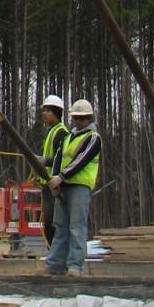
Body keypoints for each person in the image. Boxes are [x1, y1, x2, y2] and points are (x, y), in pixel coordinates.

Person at [44, 98, 101, 278]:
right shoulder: (68, 137)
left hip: (80, 186)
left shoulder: (93, 138)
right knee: (60, 226)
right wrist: (54, 180)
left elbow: (81, 160)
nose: (79, 122)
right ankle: (54, 264)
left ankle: (75, 265)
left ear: (89, 118)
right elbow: (59, 159)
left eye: (82, 118)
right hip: (64, 185)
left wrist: (60, 177)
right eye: (76, 118)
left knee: (77, 226)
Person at [34, 94, 67, 247]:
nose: (44, 113)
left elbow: (63, 161)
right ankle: (53, 255)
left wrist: (44, 161)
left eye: (48, 110)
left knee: (52, 222)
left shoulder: (61, 132)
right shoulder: (51, 131)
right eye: (44, 110)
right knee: (47, 222)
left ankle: (57, 256)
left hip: (55, 185)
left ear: (56, 112)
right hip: (47, 185)